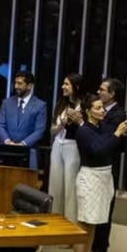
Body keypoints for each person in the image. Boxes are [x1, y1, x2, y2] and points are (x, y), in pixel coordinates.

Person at [66, 98, 127, 252]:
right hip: (90, 177)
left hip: (105, 176)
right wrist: (116, 134)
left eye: (102, 107)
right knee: (84, 222)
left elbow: (114, 147)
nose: (102, 110)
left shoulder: (103, 127)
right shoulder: (84, 131)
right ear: (88, 111)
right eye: (97, 108)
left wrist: (122, 134)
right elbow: (99, 150)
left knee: (95, 221)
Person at [91, 77, 127, 252]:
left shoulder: (119, 115)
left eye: (103, 89)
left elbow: (109, 137)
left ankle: (100, 247)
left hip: (108, 164)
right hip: (92, 163)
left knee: (105, 207)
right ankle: (89, 242)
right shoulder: (97, 110)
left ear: (112, 94)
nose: (99, 92)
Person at [48, 73, 86, 222]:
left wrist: (77, 120)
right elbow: (51, 130)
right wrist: (61, 124)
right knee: (55, 186)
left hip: (73, 146)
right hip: (58, 143)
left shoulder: (83, 105)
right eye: (63, 84)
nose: (63, 87)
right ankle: (55, 223)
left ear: (76, 87)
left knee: (70, 187)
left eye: (66, 84)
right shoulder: (61, 104)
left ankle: (71, 224)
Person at [0, 71, 47, 169]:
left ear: (29, 86)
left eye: (20, 83)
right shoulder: (6, 103)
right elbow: (0, 125)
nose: (16, 86)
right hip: (7, 150)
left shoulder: (40, 105)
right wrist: (7, 141)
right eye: (15, 83)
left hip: (28, 151)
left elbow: (39, 131)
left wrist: (22, 144)